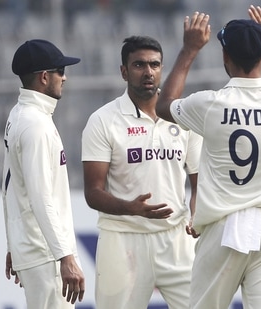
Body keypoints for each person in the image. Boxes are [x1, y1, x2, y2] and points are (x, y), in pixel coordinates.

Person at [155, 6, 261, 308]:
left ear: (225, 57)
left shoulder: (211, 104)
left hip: (226, 226)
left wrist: (189, 50)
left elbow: (165, 105)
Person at [81, 35, 202, 309]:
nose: (148, 72)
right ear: (124, 72)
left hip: (176, 238)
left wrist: (197, 213)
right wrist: (131, 208)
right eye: (139, 65)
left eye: (155, 65)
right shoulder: (103, 120)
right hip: (123, 238)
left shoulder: (182, 117)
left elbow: (199, 181)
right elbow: (93, 192)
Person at [2, 39, 85, 308]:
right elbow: (40, 197)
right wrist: (65, 257)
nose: (65, 77)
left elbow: (10, 186)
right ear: (45, 77)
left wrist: (13, 242)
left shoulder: (20, 114)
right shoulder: (35, 124)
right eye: (61, 71)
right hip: (46, 253)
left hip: (38, 249)